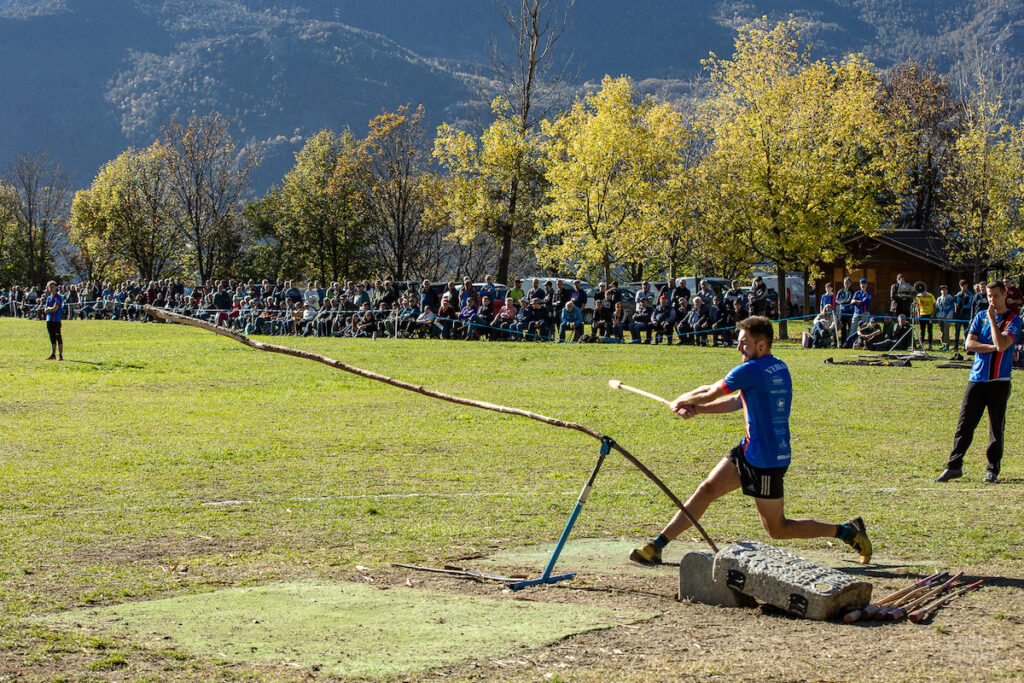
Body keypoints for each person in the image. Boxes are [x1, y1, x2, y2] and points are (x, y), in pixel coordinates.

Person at [628, 316, 872, 566]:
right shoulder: (778, 366)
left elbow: (709, 391)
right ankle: (658, 545)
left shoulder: (750, 370)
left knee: (778, 529)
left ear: (761, 345)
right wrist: (698, 409)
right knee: (707, 489)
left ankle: (846, 531)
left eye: (744, 343)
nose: (738, 348)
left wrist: (681, 401)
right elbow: (736, 402)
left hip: (766, 461)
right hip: (750, 449)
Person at [936, 281, 1022, 484]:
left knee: (995, 428)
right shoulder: (980, 316)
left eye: (996, 296)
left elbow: (1003, 344)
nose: (992, 300)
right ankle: (954, 466)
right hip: (976, 379)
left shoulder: (1013, 320)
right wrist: (993, 347)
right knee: (964, 425)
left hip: (999, 381)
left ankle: (992, 469)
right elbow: (969, 344)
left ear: (1005, 295)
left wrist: (993, 323)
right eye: (989, 296)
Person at [43, 281, 64, 361]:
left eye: (52, 287)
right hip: (49, 320)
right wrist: (49, 309)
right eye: (49, 287)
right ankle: (53, 354)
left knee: (58, 337)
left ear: (55, 287)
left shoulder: (58, 297)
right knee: (52, 337)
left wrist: (49, 309)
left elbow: (55, 308)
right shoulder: (48, 298)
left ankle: (60, 354)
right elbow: (45, 309)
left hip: (56, 320)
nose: (51, 288)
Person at [848, 278, 872, 346]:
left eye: (864, 283)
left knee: (863, 329)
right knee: (853, 328)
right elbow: (852, 302)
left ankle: (863, 344)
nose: (863, 285)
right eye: (861, 284)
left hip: (865, 312)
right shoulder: (857, 292)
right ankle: (850, 343)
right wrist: (858, 302)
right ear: (860, 285)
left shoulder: (868, 293)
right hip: (856, 312)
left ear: (866, 284)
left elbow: (865, 301)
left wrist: (858, 302)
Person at [934, 285, 956, 351]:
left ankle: (947, 345)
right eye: (942, 290)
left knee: (946, 331)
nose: (943, 291)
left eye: (944, 290)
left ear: (947, 290)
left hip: (947, 317)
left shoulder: (950, 298)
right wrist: (937, 315)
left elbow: (952, 308)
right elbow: (937, 308)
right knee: (941, 331)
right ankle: (943, 344)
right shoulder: (939, 299)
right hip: (940, 317)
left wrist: (949, 316)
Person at [953, 279, 973, 348]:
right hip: (958, 315)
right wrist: (961, 295)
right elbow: (957, 302)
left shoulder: (969, 294)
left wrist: (962, 306)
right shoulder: (959, 294)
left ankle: (965, 345)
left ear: (967, 285)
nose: (963, 287)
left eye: (964, 285)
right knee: (957, 330)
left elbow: (969, 304)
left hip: (966, 314)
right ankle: (956, 345)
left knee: (966, 331)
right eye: (961, 286)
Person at [915, 285, 936, 350]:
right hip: (922, 315)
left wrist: (932, 315)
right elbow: (917, 306)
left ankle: (930, 345)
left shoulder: (930, 296)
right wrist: (918, 314)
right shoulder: (918, 296)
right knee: (922, 331)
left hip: (929, 315)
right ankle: (921, 345)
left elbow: (934, 306)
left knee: (929, 331)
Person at [835, 277, 855, 341]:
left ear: (850, 283)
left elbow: (849, 300)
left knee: (850, 327)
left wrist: (843, 301)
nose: (846, 284)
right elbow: (837, 300)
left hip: (849, 311)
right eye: (845, 282)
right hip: (842, 311)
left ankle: (849, 342)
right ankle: (843, 342)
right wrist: (844, 301)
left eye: (847, 283)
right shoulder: (840, 291)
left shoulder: (852, 291)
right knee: (842, 327)